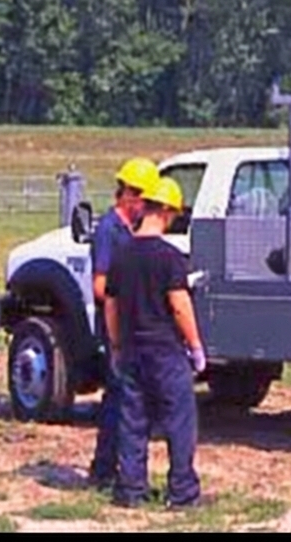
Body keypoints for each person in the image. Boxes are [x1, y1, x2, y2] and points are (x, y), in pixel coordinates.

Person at [104, 174, 206, 510]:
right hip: (165, 350)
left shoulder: (121, 254)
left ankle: (130, 490)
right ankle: (183, 493)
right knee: (179, 422)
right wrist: (195, 346)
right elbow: (179, 305)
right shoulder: (169, 257)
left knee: (133, 421)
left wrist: (116, 346)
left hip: (131, 349)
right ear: (165, 211)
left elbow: (111, 305)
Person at [88, 156, 160, 490]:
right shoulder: (109, 230)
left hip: (131, 322)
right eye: (145, 198)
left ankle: (113, 466)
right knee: (118, 395)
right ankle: (104, 468)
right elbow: (100, 286)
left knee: (127, 395)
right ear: (129, 194)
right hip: (114, 323)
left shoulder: (132, 230)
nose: (147, 205)